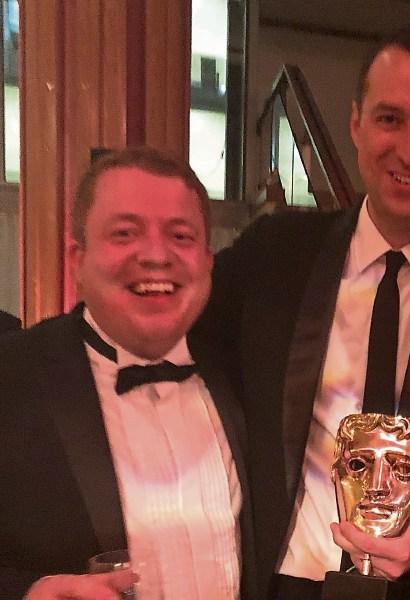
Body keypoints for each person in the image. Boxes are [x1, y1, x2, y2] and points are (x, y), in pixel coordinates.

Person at [194, 26, 410, 600]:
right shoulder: (270, 254)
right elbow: (174, 346)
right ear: (356, 123)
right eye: (390, 119)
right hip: (283, 586)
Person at [0, 148, 257, 600]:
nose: (156, 256)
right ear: (77, 259)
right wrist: (28, 592)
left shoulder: (247, 371)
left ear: (208, 261)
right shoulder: (12, 376)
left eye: (180, 236)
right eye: (124, 233)